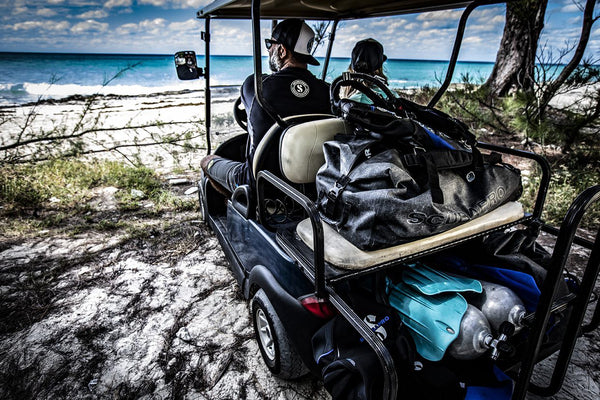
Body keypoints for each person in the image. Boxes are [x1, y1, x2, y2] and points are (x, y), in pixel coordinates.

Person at [201, 19, 331, 194]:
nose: (269, 50)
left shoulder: (256, 87)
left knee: (207, 161)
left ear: (282, 50)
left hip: (262, 186)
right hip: (311, 185)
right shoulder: (327, 91)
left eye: (270, 44)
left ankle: (239, 202)